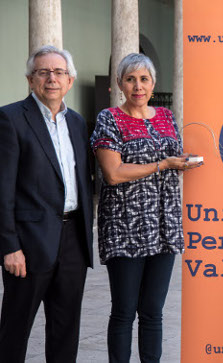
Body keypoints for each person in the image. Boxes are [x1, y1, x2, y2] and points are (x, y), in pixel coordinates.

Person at [91, 53, 202, 363]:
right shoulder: (109, 118)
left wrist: (182, 162)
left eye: (144, 79)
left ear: (153, 84)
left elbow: (173, 156)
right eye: (130, 79)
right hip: (125, 227)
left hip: (163, 226)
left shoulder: (165, 116)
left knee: (153, 311)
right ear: (119, 84)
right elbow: (113, 173)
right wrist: (163, 164)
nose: (137, 86)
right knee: (125, 311)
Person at [0, 45, 93, 362]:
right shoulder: (10, 119)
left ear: (69, 80)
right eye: (43, 72)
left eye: (59, 72)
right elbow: (2, 189)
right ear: (30, 79)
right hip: (28, 246)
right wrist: (9, 246)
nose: (51, 78)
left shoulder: (78, 124)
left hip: (72, 244)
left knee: (66, 331)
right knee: (15, 330)